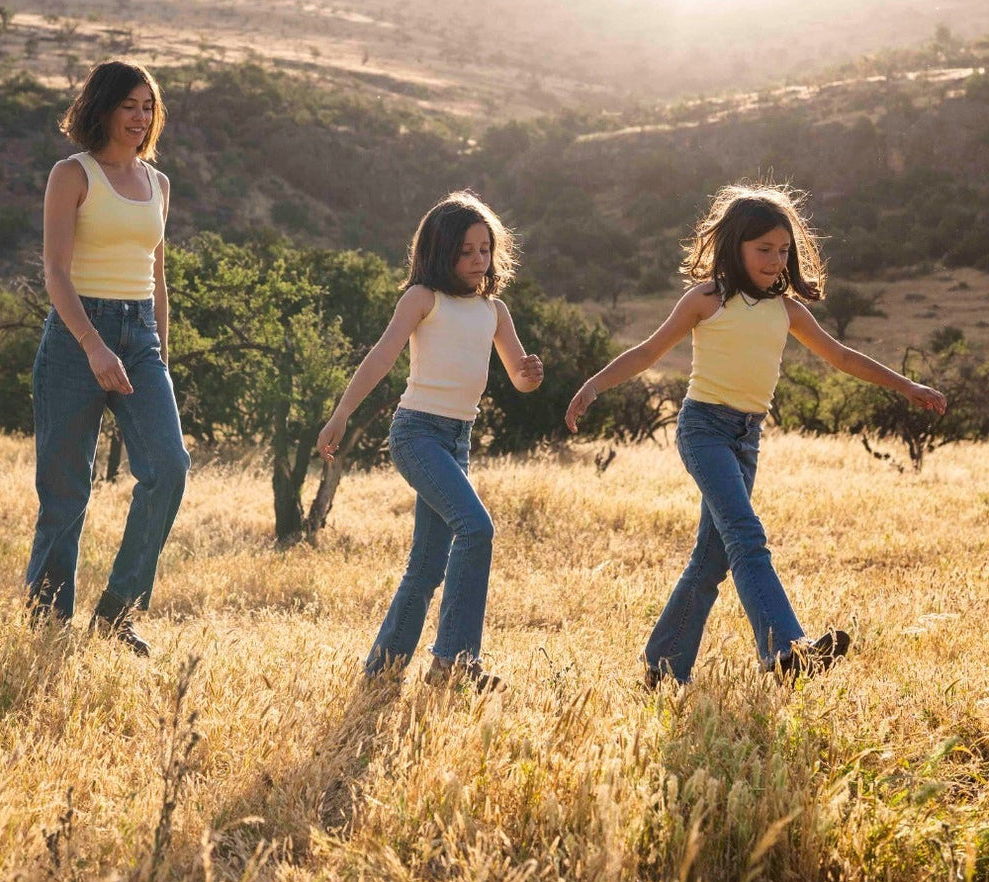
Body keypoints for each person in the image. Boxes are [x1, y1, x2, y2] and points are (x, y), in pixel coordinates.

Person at [565, 183, 946, 685]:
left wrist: (905, 385)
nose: (774, 260)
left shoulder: (785, 309)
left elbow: (843, 358)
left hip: (747, 437)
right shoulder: (707, 300)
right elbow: (646, 352)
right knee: (746, 536)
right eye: (763, 249)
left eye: (783, 250)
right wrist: (593, 386)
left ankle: (661, 669)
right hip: (704, 430)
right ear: (734, 247)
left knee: (710, 560)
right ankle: (787, 651)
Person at [316, 191, 544, 690]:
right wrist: (341, 415)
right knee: (477, 529)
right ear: (440, 252)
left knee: (425, 567)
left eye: (484, 249)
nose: (477, 259)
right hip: (417, 433)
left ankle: (381, 672)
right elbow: (380, 357)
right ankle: (455, 662)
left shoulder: (495, 311)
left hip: (457, 441)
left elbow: (520, 378)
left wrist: (531, 374)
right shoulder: (423, 299)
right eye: (465, 251)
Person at [25, 60, 190, 656]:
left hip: (139, 334)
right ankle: (46, 623)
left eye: (148, 106)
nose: (140, 117)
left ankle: (117, 612)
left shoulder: (159, 185)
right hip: (75, 337)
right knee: (66, 491)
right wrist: (93, 345)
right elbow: (56, 272)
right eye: (129, 105)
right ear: (102, 108)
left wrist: (161, 362)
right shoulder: (73, 175)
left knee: (169, 469)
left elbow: (159, 282)